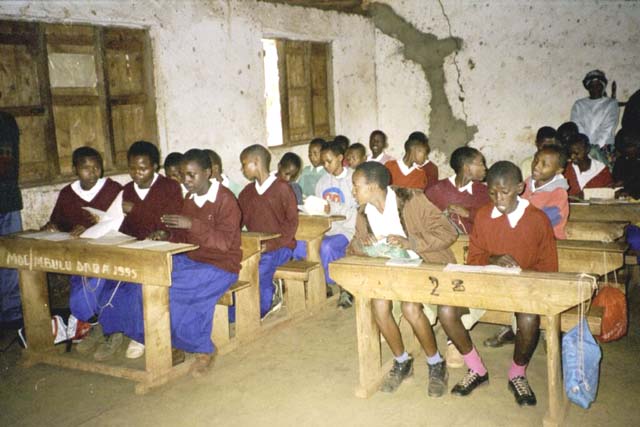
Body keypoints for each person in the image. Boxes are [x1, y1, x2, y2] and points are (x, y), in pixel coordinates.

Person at [439, 161, 557, 406]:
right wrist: (492, 258)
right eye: (492, 193)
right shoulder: (484, 215)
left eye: (505, 192)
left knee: (528, 318)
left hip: (522, 288)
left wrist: (525, 279)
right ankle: (477, 369)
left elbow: (548, 266)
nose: (498, 198)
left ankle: (517, 373)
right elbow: (474, 259)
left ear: (520, 188)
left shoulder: (537, 219)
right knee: (446, 310)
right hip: (487, 285)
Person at [122, 149, 241, 376]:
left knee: (175, 290)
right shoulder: (190, 198)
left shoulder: (225, 200)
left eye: (191, 175)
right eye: (183, 175)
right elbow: (185, 236)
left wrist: (192, 224)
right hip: (193, 259)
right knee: (149, 281)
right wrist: (167, 236)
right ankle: (171, 340)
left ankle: (203, 350)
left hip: (221, 265)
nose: (186, 181)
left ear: (208, 172)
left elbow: (224, 243)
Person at [349, 161, 457, 396]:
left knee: (410, 307)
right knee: (378, 306)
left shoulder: (411, 199)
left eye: (356, 186)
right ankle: (402, 361)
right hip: (391, 273)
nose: (353, 192)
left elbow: (448, 232)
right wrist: (361, 243)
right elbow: (353, 245)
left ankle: (436, 363)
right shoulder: (363, 212)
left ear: (374, 186)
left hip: (424, 267)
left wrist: (412, 243)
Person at [82, 140, 183, 362]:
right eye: (132, 168)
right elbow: (127, 226)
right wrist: (108, 224)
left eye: (143, 168)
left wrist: (141, 214)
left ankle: (140, 335)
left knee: (135, 289)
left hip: (162, 251)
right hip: (134, 249)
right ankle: (112, 330)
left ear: (155, 166)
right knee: (107, 283)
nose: (137, 173)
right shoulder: (127, 190)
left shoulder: (170, 188)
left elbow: (172, 223)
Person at [238, 144, 298, 318]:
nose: (242, 169)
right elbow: (237, 221)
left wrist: (272, 245)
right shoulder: (246, 193)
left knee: (260, 267)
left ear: (256, 162)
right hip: (257, 247)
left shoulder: (282, 188)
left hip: (282, 246)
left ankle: (261, 308)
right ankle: (239, 310)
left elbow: (291, 224)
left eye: (244, 164)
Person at [315, 140, 358, 308]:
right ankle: (321, 284)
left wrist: (332, 207)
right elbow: (320, 206)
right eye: (323, 162)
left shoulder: (353, 178)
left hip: (348, 229)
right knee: (301, 246)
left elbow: (356, 211)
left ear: (340, 158)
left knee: (327, 247)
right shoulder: (322, 183)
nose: (325, 165)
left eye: (329, 161)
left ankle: (343, 286)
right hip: (328, 228)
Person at [43, 147, 122, 236]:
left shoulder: (112, 189)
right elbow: (59, 222)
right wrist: (53, 227)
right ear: (74, 170)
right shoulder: (67, 194)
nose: (92, 172)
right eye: (86, 168)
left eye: (96, 167)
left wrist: (89, 229)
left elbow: (121, 222)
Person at [425, 146, 489, 235]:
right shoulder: (436, 190)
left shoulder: (484, 192)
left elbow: (491, 222)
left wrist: (468, 214)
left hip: (473, 244)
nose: (484, 168)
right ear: (467, 168)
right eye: (481, 164)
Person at [0, 112, 23, 328]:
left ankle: (12, 312)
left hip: (7, 198)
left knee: (11, 257)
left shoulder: (7, 121)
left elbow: (10, 162)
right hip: (7, 196)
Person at [570, 70, 619, 164]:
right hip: (582, 148)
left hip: (604, 147)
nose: (595, 88)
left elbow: (608, 127)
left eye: (598, 85)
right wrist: (585, 147)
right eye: (592, 86)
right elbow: (576, 125)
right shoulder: (579, 105)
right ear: (588, 87)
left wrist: (595, 148)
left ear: (603, 86)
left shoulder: (611, 104)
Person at [522, 145, 570, 240]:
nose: (536, 166)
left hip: (549, 241)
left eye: (545, 165)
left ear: (558, 170)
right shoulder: (527, 183)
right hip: (525, 235)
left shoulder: (558, 194)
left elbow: (543, 221)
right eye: (536, 160)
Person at [564, 133, 614, 198]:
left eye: (576, 153)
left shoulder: (602, 171)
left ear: (587, 149)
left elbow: (609, 192)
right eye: (570, 153)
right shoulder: (566, 169)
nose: (572, 157)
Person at [613, 128, 640, 199]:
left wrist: (630, 192)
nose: (627, 153)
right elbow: (616, 180)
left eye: (630, 146)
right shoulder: (621, 160)